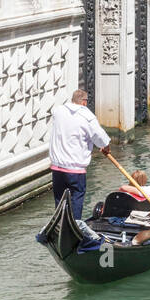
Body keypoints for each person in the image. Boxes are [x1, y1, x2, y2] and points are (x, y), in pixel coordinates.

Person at [47, 88, 111, 220]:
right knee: (76, 198)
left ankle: (60, 224)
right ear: (84, 102)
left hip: (57, 168)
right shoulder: (87, 116)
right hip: (75, 170)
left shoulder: (58, 111)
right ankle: (75, 224)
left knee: (59, 199)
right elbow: (100, 137)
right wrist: (106, 147)